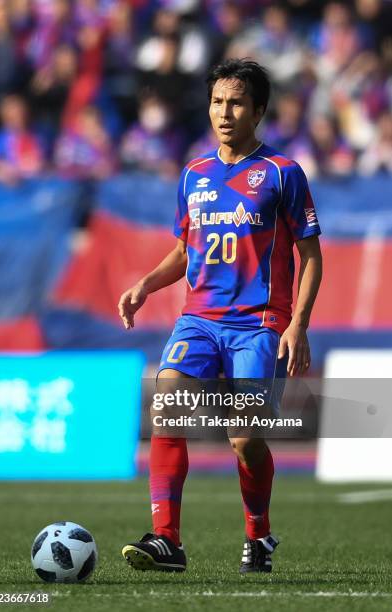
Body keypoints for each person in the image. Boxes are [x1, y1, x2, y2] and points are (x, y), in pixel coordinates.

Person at [118, 59, 322, 573]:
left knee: (245, 438)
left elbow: (311, 254)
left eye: (235, 103)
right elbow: (187, 250)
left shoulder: (283, 174)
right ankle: (167, 540)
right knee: (168, 408)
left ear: (258, 110)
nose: (224, 112)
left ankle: (259, 534)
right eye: (216, 102)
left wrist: (297, 324)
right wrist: (145, 284)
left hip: (258, 324)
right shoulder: (194, 174)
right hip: (200, 321)